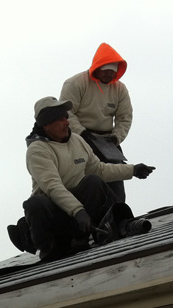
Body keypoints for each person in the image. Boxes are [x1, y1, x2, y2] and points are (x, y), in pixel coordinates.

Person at [7, 96, 154, 262]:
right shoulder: (37, 150)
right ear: (46, 124)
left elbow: (100, 170)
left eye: (66, 117)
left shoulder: (77, 141)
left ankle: (81, 238)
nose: (67, 122)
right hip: (56, 215)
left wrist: (132, 170)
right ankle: (50, 250)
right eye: (60, 119)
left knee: (93, 181)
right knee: (36, 203)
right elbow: (53, 186)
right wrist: (78, 211)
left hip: (79, 215)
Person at [60, 42, 132, 201]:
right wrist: (82, 134)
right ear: (96, 68)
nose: (109, 75)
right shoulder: (76, 83)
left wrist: (116, 137)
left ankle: (118, 211)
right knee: (83, 181)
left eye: (112, 72)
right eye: (105, 71)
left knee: (116, 182)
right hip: (78, 140)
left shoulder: (120, 89)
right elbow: (67, 113)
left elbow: (124, 117)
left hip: (108, 142)